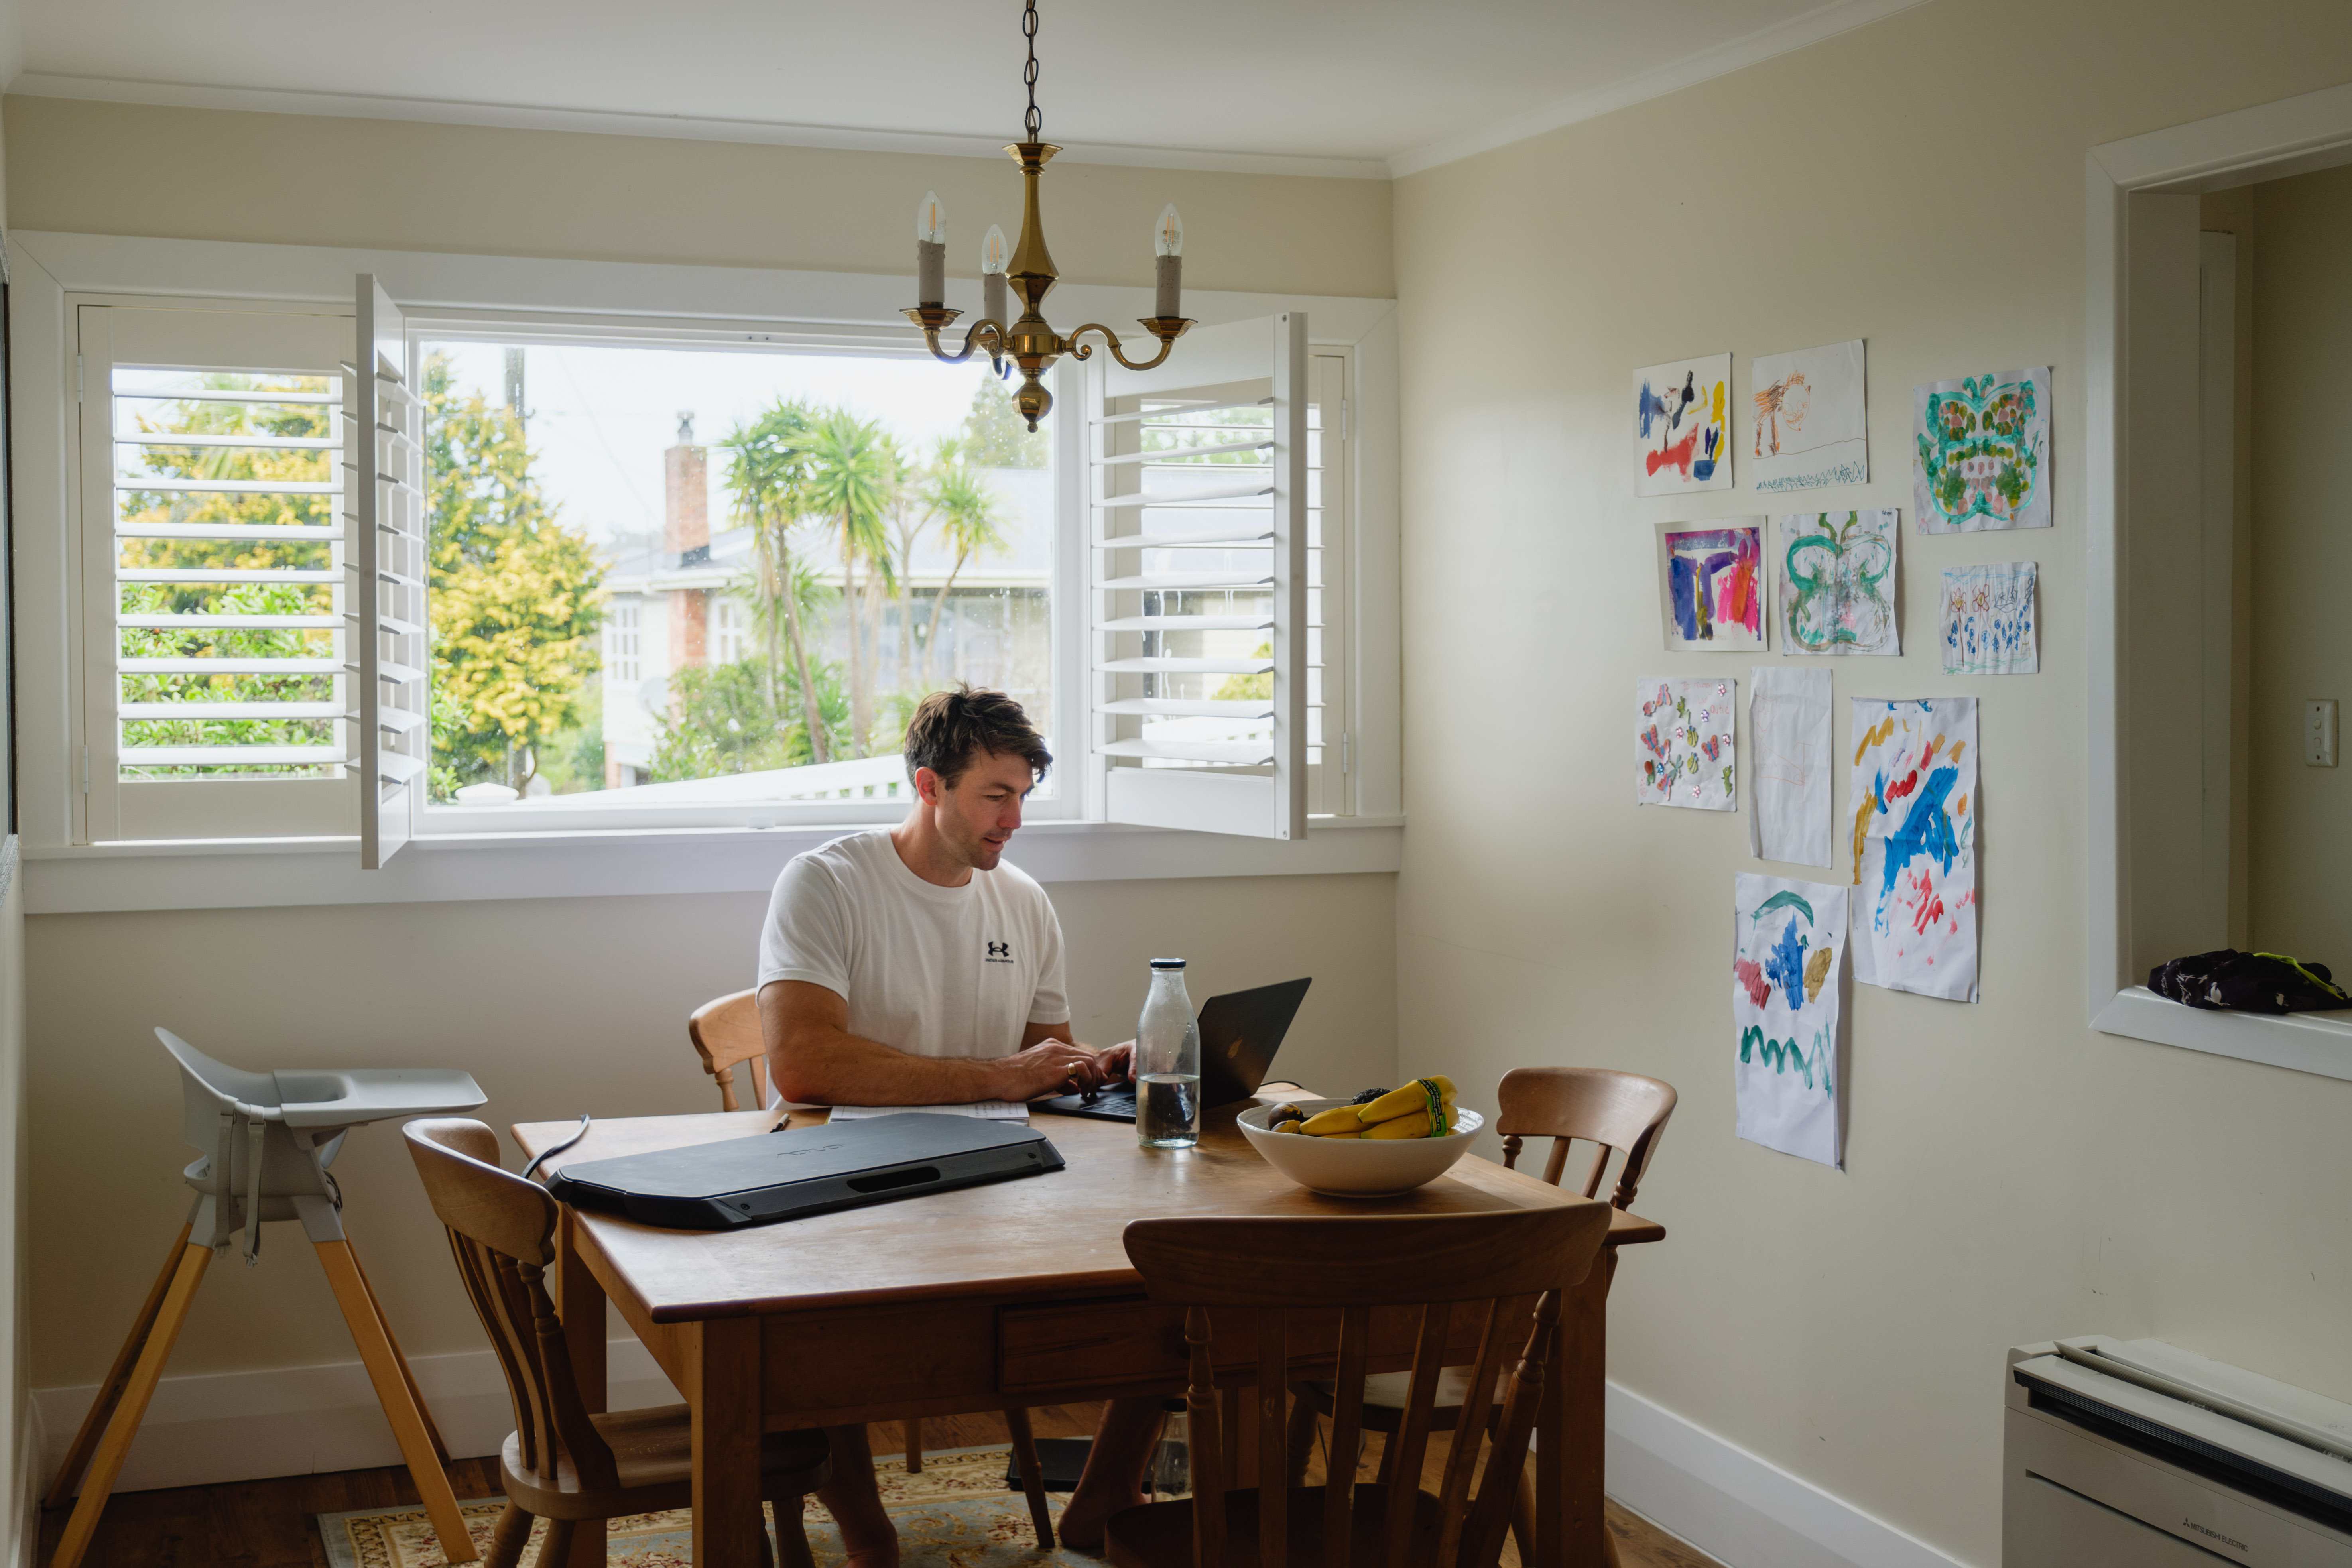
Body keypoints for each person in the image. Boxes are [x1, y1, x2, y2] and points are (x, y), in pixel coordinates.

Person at [757, 685, 1159, 1563]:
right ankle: (867, 1525)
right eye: (996, 794)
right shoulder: (826, 881)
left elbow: (1040, 1056)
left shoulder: (1020, 899)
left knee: (1166, 1263)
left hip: (993, 1171)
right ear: (929, 783)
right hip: (844, 1174)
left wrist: (1101, 1062)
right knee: (820, 1313)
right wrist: (1000, 1073)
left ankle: (1103, 1494)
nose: (1014, 818)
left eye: (1023, 795)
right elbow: (802, 1064)